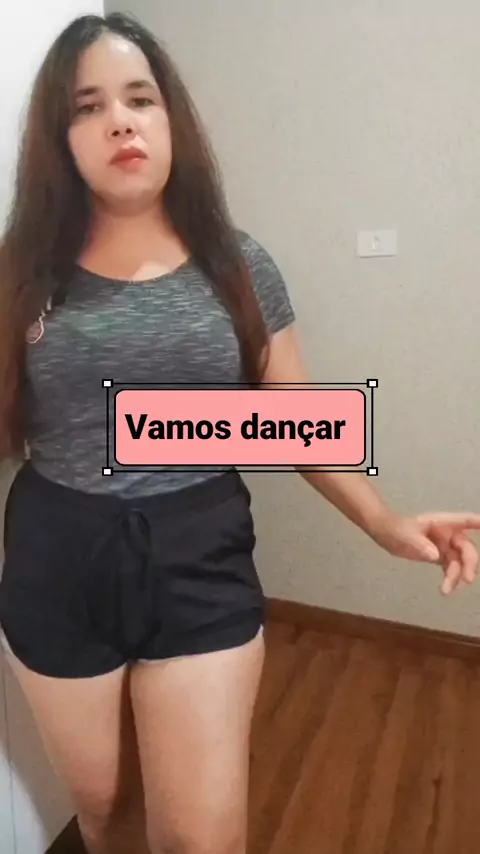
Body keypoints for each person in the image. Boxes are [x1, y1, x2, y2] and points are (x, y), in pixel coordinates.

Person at [0, 12, 479, 854]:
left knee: (204, 837)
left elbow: (292, 423)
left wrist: (385, 522)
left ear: (170, 118)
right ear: (59, 138)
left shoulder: (237, 263)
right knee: (104, 810)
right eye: (88, 106)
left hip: (198, 551)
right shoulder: (21, 269)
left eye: (139, 98)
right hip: (58, 552)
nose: (120, 121)